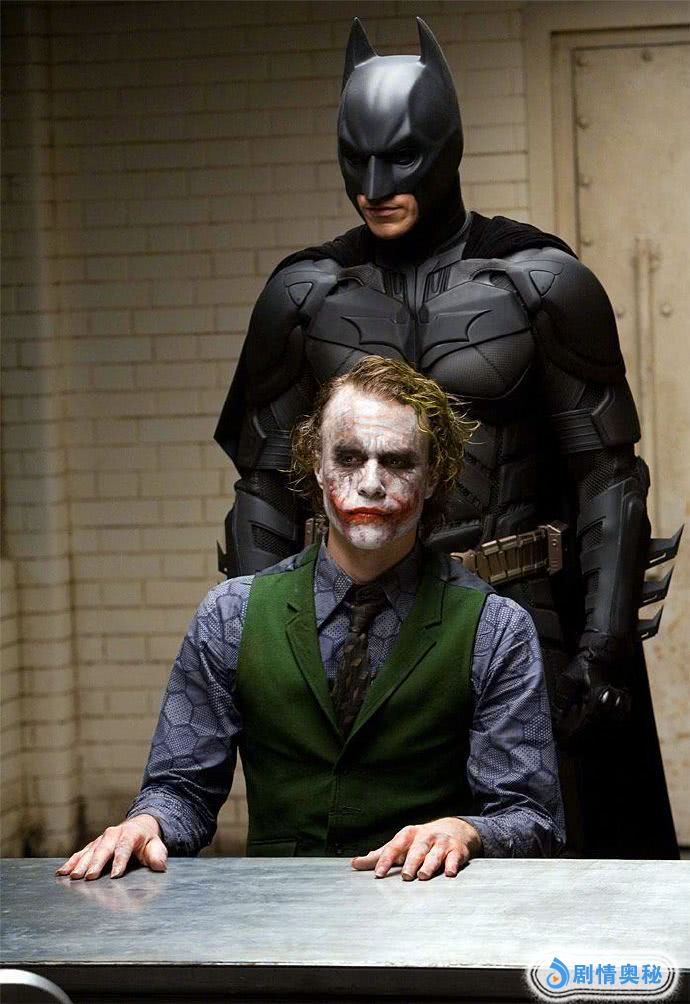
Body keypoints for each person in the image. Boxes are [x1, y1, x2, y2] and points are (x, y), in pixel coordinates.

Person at [213, 17, 680, 859]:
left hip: (519, 610)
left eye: (401, 158)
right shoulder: (305, 297)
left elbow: (607, 478)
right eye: (356, 159)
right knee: (357, 858)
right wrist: (261, 651)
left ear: (447, 147)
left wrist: (604, 647)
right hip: (358, 619)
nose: (374, 185)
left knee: (542, 857)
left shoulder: (539, 284)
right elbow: (264, 492)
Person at [57, 357, 565, 881]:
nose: (371, 484)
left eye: (397, 462)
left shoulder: (494, 628)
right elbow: (182, 788)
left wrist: (465, 830)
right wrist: (147, 824)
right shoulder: (232, 615)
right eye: (348, 458)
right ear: (317, 465)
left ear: (433, 475)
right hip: (278, 909)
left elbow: (531, 818)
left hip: (426, 907)